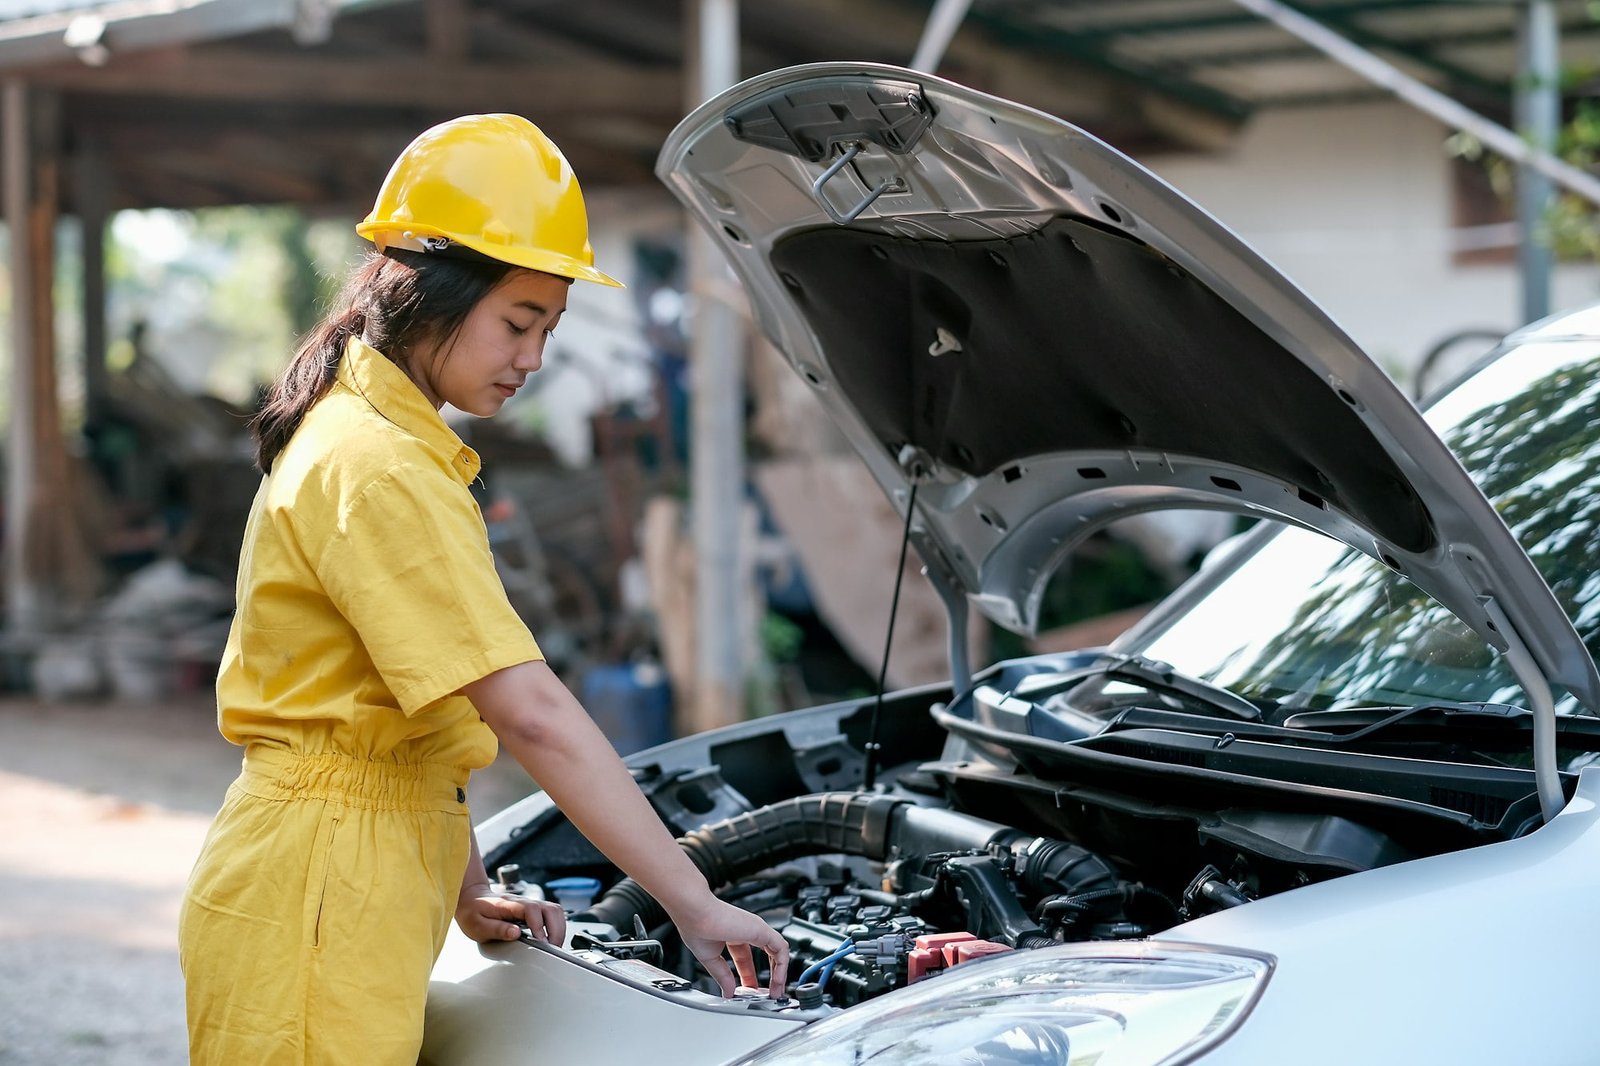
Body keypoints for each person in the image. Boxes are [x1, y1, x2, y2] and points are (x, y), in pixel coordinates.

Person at [178, 114, 789, 1065]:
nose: (533, 358)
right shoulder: (379, 467)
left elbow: (411, 720)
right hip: (315, 891)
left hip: (336, 881)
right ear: (430, 291)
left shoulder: (380, 443)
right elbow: (531, 713)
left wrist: (468, 885)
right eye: (518, 320)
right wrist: (694, 901)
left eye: (550, 326)